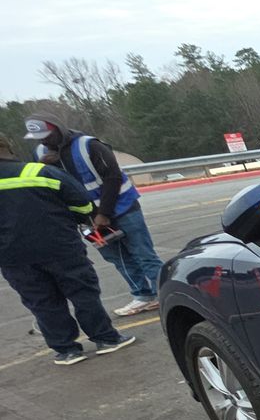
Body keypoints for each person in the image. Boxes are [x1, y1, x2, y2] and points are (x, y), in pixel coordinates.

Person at [0, 134, 136, 366]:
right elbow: (83, 205)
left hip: (12, 256)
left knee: (42, 301)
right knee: (83, 293)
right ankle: (105, 338)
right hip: (59, 246)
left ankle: (66, 350)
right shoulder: (40, 172)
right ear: (8, 146)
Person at [24, 113, 164, 315]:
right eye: (39, 138)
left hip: (122, 208)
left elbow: (113, 177)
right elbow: (48, 185)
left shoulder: (88, 145)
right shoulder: (40, 153)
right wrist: (45, 166)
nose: (44, 140)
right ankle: (144, 295)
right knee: (117, 258)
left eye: (47, 135)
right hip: (86, 218)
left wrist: (104, 213)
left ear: (59, 129)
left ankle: (167, 292)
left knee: (143, 254)